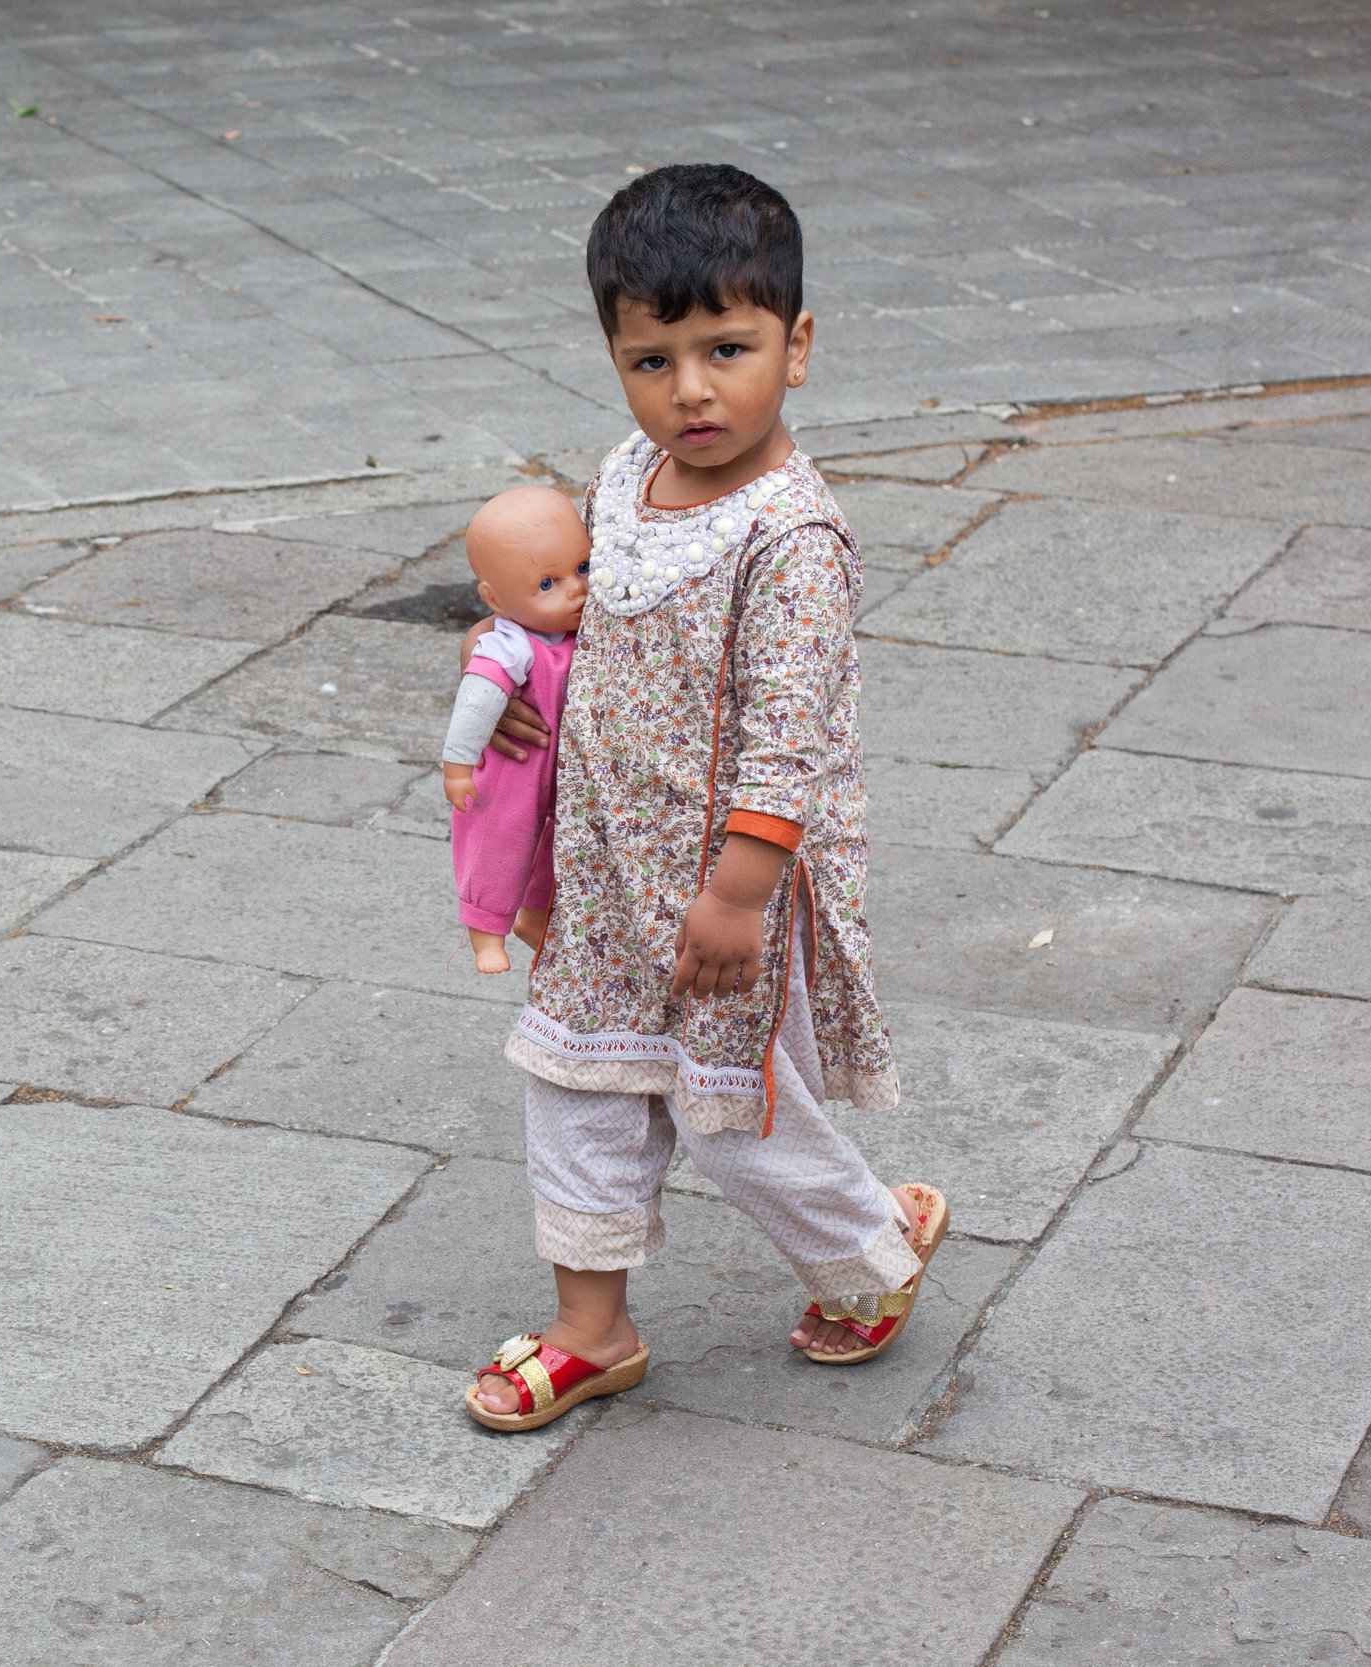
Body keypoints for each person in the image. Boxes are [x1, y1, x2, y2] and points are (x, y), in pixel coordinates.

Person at [461, 163, 947, 1433]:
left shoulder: (790, 538)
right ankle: (591, 1328)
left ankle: (868, 1258)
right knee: (574, 1079)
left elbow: (790, 741)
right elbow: (577, 604)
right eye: (649, 358)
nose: (687, 390)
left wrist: (736, 892)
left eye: (724, 348)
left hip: (727, 888)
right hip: (608, 871)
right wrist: (525, 683)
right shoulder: (624, 475)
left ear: (796, 347)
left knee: (731, 1109)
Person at [440, 486, 591, 975]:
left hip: (572, 768)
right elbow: (477, 702)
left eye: (583, 569)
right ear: (495, 600)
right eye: (548, 583)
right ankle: (487, 932)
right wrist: (457, 767)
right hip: (518, 766)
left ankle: (536, 916)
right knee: (497, 844)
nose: (576, 589)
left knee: (558, 847)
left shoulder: (582, 626)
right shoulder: (509, 644)